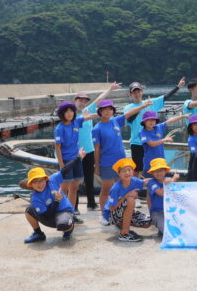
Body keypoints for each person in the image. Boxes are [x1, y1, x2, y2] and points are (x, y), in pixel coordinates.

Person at [92, 99, 145, 223]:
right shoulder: (97, 128)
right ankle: (104, 215)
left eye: (109, 109)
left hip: (121, 162)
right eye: (104, 109)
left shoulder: (116, 121)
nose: (107, 111)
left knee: (122, 187)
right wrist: (97, 166)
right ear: (100, 111)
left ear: (112, 111)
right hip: (107, 162)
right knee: (106, 189)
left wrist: (143, 105)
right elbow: (97, 148)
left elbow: (129, 114)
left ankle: (119, 212)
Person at [73, 82, 119, 210]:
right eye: (80, 101)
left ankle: (91, 203)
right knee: (76, 180)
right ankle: (74, 207)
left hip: (89, 150)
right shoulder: (71, 115)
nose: (82, 103)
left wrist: (110, 89)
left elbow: (99, 100)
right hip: (77, 152)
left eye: (84, 101)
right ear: (75, 101)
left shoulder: (88, 110)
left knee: (89, 178)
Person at [21, 154, 84, 243]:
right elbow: (47, 215)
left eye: (41, 180)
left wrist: (79, 158)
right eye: (35, 182)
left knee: (64, 224)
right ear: (31, 185)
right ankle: (38, 234)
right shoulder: (35, 198)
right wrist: (57, 200)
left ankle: (68, 230)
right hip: (49, 216)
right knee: (29, 210)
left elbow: (65, 169)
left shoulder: (52, 180)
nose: (39, 184)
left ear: (46, 179)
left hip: (64, 211)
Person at [125, 78, 185, 172]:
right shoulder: (128, 108)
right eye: (134, 92)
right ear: (130, 94)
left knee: (153, 168)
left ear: (142, 91)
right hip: (137, 143)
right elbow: (130, 119)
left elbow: (166, 97)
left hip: (152, 142)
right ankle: (137, 186)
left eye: (138, 91)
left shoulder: (151, 102)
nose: (137, 94)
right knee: (137, 170)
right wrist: (142, 107)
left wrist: (178, 87)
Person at [53, 101, 97, 223]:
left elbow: (88, 117)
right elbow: (57, 147)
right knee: (64, 188)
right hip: (66, 161)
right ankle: (60, 212)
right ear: (62, 114)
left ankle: (71, 213)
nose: (69, 113)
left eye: (71, 111)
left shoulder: (76, 122)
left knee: (75, 187)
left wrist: (100, 113)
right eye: (66, 111)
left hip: (77, 159)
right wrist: (62, 165)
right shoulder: (60, 128)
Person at [102, 158, 151, 242]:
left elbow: (146, 182)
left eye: (129, 170)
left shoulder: (134, 180)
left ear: (132, 171)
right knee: (130, 200)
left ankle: (123, 223)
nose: (127, 173)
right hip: (110, 215)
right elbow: (111, 208)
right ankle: (124, 233)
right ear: (119, 173)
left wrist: (162, 180)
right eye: (124, 171)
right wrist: (126, 196)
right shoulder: (116, 188)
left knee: (147, 222)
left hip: (122, 212)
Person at [138, 109, 189, 175]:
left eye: (153, 120)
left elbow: (170, 120)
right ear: (144, 121)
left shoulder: (158, 127)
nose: (152, 122)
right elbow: (152, 144)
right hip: (150, 163)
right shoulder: (142, 132)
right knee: (150, 182)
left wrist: (183, 116)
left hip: (161, 161)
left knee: (161, 180)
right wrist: (164, 140)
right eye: (149, 120)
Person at [147, 157, 178, 236]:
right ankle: (161, 228)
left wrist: (172, 181)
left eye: (161, 170)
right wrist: (173, 180)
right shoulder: (151, 182)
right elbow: (161, 193)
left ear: (165, 171)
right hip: (156, 212)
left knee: (180, 230)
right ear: (152, 173)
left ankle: (162, 230)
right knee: (169, 233)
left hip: (169, 211)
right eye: (156, 171)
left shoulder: (168, 180)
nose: (158, 173)